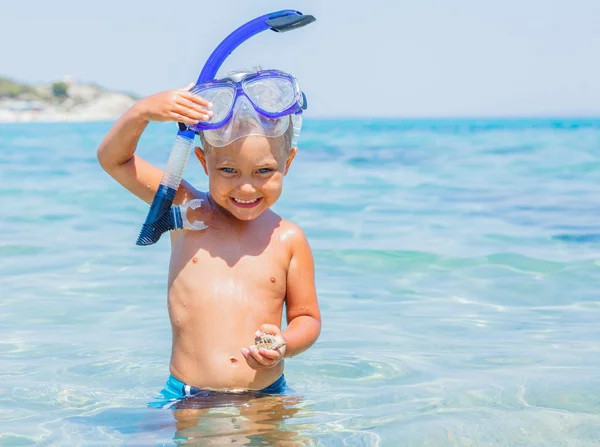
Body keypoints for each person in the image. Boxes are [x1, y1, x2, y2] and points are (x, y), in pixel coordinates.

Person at [97, 68, 322, 407]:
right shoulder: (186, 208)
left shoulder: (289, 238)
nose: (246, 187)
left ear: (287, 163)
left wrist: (285, 343)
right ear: (203, 161)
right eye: (228, 171)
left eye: (263, 171)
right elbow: (114, 160)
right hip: (188, 396)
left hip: (266, 397)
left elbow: (307, 317)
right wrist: (142, 111)